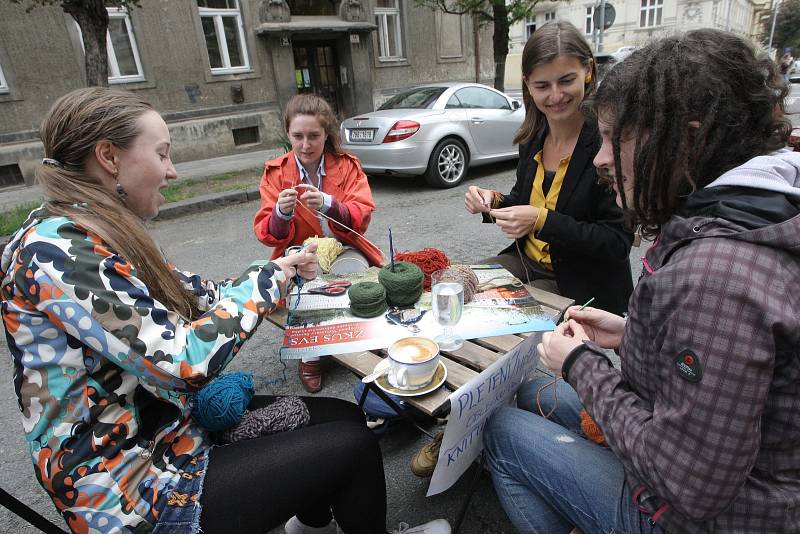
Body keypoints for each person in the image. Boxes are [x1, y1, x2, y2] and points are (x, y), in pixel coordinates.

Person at [0, 87, 449, 534]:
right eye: (162, 154)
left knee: (344, 416)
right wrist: (273, 277)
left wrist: (285, 268)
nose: (172, 171)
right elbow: (184, 360)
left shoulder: (91, 230)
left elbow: (199, 293)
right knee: (352, 446)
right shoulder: (57, 250)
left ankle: (312, 525)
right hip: (133, 489)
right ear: (109, 157)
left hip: (171, 432)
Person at [484, 29, 800, 533]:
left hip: (690, 515)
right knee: (528, 391)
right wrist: (635, 332)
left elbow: (690, 485)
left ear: (687, 140)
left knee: (500, 427)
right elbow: (739, 361)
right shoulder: (751, 215)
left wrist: (584, 365)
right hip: (728, 467)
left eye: (615, 139)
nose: (602, 158)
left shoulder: (715, 277)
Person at [464, 21, 633, 316]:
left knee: (498, 315)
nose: (555, 96)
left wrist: (542, 220)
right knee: (461, 286)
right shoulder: (532, 139)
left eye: (566, 80)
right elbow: (522, 202)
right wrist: (491, 202)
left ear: (588, 71)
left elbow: (617, 242)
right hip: (526, 261)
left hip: (579, 281)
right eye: (542, 86)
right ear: (527, 85)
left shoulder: (606, 142)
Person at [253, 93, 381, 393]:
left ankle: (350, 335)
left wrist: (329, 204)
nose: (305, 145)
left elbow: (360, 218)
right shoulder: (275, 172)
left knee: (354, 273)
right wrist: (281, 213)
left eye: (314, 136)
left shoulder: (347, 166)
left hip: (342, 244)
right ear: (288, 134)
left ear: (327, 135)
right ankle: (311, 353)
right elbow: (267, 234)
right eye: (297, 136)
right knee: (307, 279)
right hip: (298, 249)